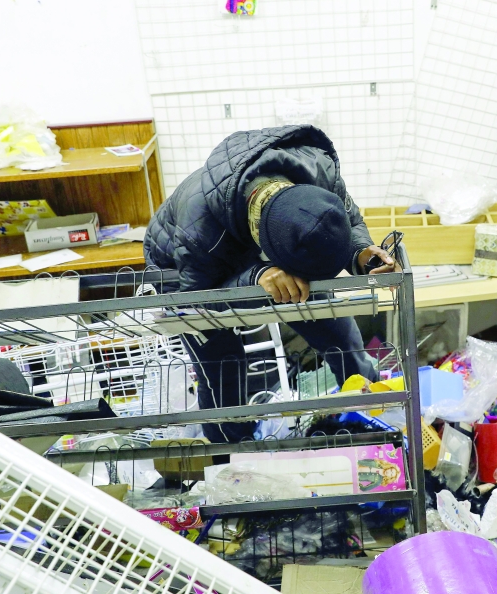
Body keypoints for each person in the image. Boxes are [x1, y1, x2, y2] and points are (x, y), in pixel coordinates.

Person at [143, 125, 396, 443]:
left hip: (261, 249)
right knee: (223, 363)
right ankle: (233, 454)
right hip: (184, 274)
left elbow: (349, 218)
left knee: (335, 325)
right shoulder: (200, 228)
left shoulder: (317, 171)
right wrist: (255, 278)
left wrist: (360, 252)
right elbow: (198, 299)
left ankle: (371, 408)